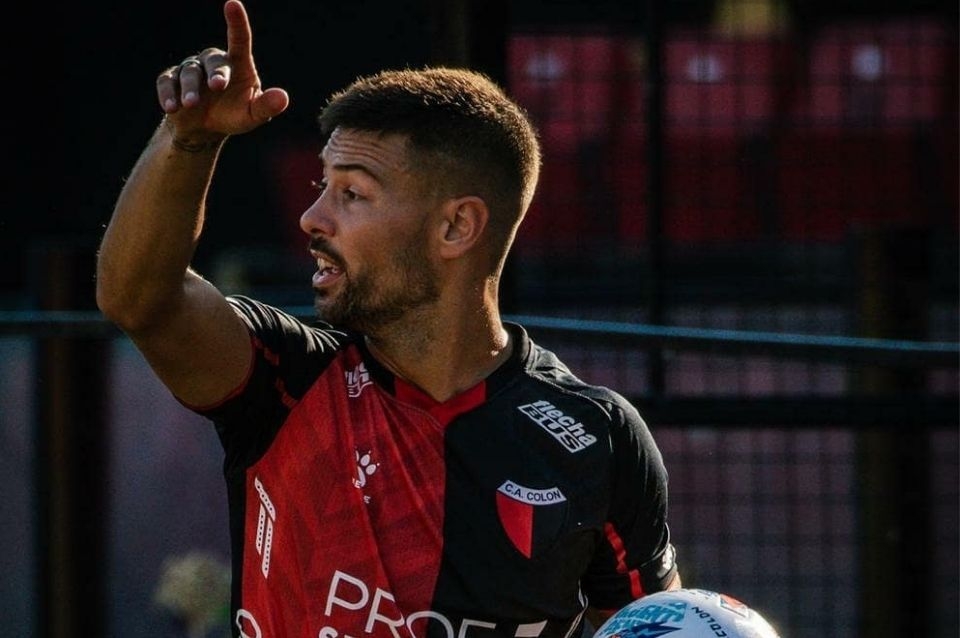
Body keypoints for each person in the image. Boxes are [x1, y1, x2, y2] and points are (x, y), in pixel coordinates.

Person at [95, 1, 681, 636]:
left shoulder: (599, 438)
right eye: (321, 186)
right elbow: (139, 299)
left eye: (352, 193)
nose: (312, 218)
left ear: (456, 227)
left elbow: (654, 625)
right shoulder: (285, 378)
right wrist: (189, 140)